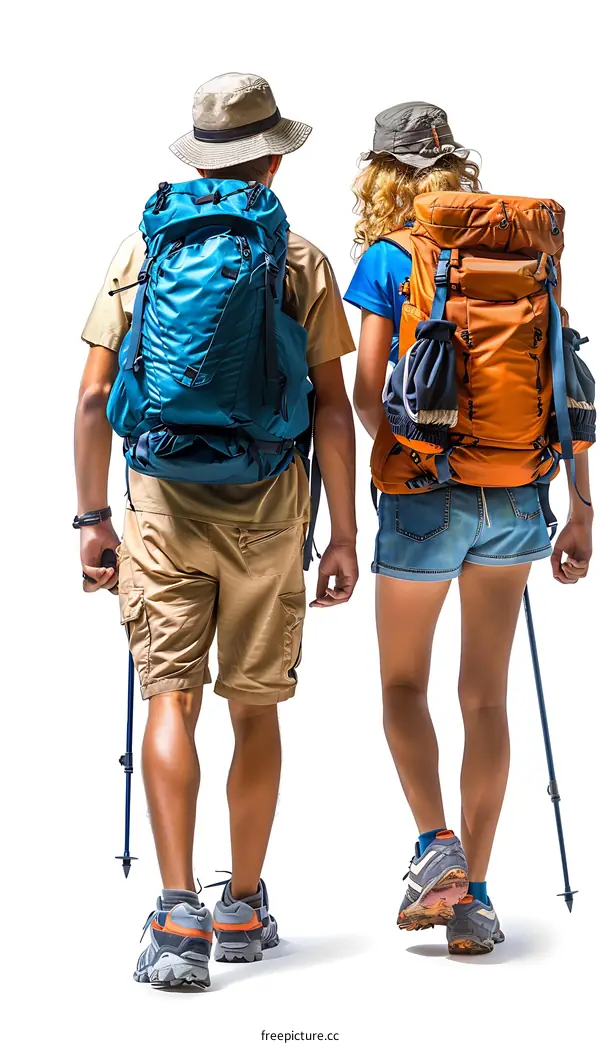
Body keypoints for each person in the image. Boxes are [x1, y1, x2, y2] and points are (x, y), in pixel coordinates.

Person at [75, 72, 358, 988]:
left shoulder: (142, 249)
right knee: (255, 705)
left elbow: (90, 400)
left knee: (171, 699)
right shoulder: (302, 260)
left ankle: (176, 915)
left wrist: (90, 521)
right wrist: (345, 534)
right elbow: (332, 413)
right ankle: (240, 902)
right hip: (273, 513)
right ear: (273, 158)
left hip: (159, 506)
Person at [345, 102, 594, 955]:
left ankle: (435, 850)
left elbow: (367, 390)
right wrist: (582, 506)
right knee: (486, 697)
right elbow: (566, 376)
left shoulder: (388, 258)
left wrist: (416, 467)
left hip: (424, 497)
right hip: (523, 496)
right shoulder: (529, 253)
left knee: (403, 688)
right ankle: (476, 902)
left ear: (384, 174)